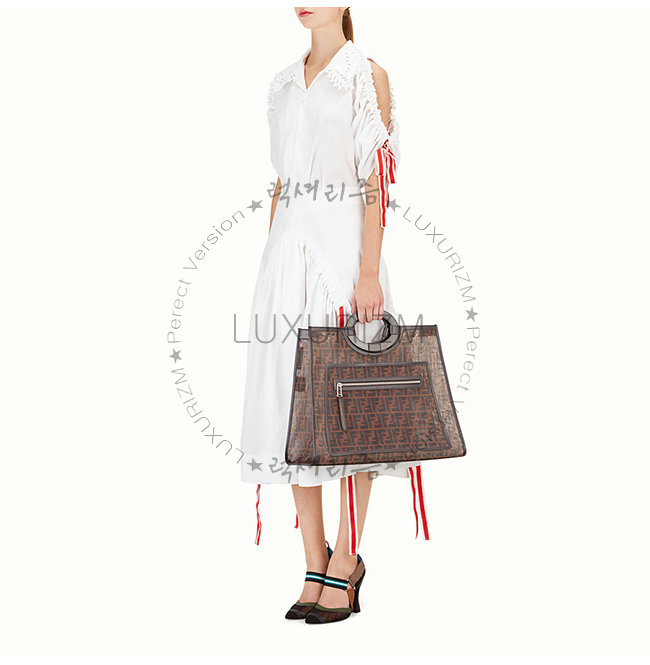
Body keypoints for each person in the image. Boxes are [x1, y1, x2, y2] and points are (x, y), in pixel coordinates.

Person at [239, 7, 430, 623]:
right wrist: (270, 263)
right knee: (292, 410)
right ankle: (313, 561)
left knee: (350, 411)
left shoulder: (366, 75)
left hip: (342, 255)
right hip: (286, 258)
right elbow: (281, 180)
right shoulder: (281, 82)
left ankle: (347, 561)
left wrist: (368, 273)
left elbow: (375, 181)